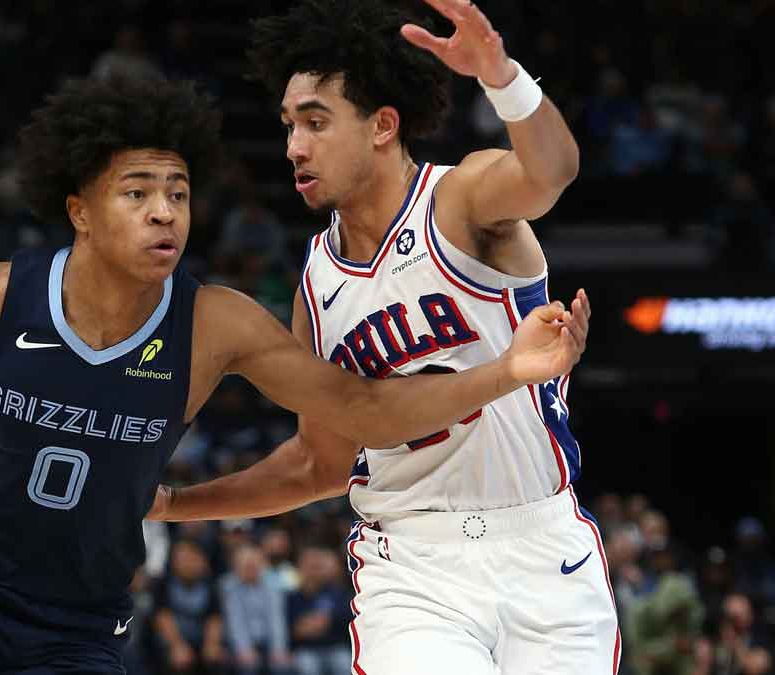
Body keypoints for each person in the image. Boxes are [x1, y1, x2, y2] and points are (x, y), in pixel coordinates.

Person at [0, 74, 589, 674]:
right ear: (80, 209)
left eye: (179, 192)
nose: (165, 212)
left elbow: (365, 409)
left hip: (83, 618)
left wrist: (506, 369)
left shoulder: (217, 324)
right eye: (138, 192)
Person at [149, 1, 619, 673]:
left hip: (544, 547)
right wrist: (173, 505)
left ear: (381, 126)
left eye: (315, 121)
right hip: (413, 565)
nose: (294, 147)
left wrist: (500, 74)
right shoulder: (316, 283)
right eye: (288, 126)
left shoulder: (459, 201)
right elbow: (320, 463)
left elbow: (551, 171)